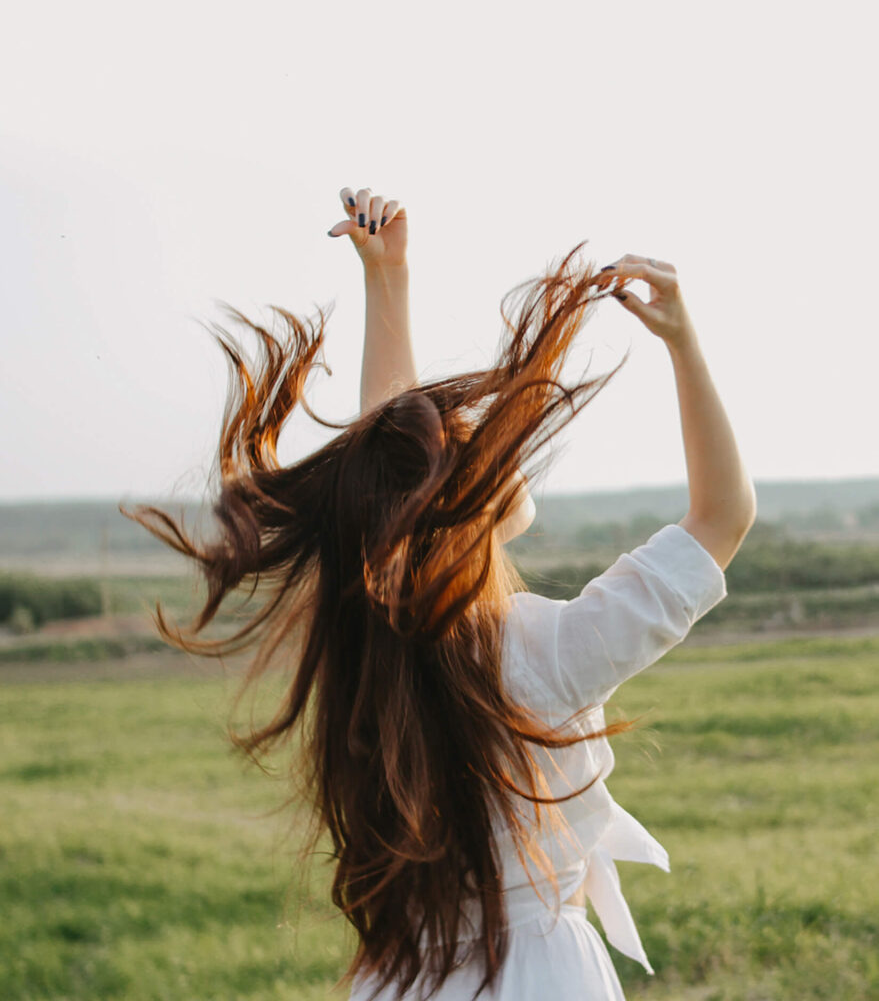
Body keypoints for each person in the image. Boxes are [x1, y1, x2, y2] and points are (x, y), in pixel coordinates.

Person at [125, 185, 757, 1000]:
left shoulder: (370, 650)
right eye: (472, 444)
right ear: (460, 505)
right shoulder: (550, 653)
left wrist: (388, 282)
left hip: (401, 976)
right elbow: (723, 516)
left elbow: (390, 471)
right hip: (537, 977)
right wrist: (683, 343)